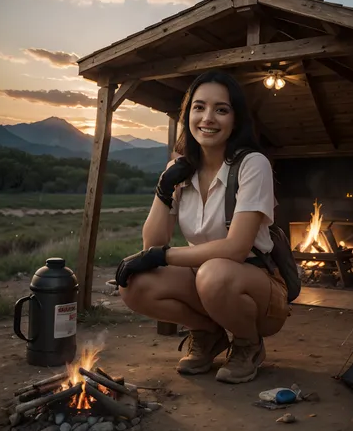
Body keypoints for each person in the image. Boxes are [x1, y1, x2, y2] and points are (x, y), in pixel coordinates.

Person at [116, 70, 290, 384]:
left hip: (257, 286)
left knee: (215, 273)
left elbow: (236, 248)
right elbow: (153, 242)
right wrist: (164, 187)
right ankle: (209, 334)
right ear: (188, 115)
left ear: (235, 119)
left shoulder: (252, 164)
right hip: (205, 280)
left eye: (221, 109)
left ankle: (248, 344)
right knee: (135, 283)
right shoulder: (179, 170)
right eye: (199, 107)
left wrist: (162, 257)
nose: (207, 118)